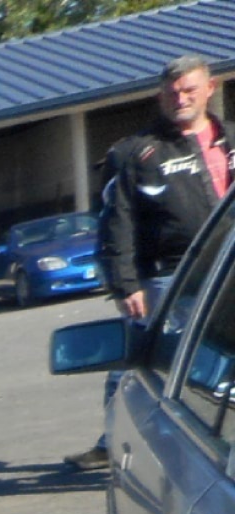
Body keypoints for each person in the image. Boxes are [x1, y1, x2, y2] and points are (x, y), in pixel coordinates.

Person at [68, 55, 231, 472]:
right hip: (167, 276)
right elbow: (115, 222)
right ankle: (114, 439)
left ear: (209, 88)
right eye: (173, 92)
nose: (181, 98)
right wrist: (125, 284)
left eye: (189, 89)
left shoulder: (229, 140)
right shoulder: (136, 153)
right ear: (160, 95)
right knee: (140, 362)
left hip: (226, 270)